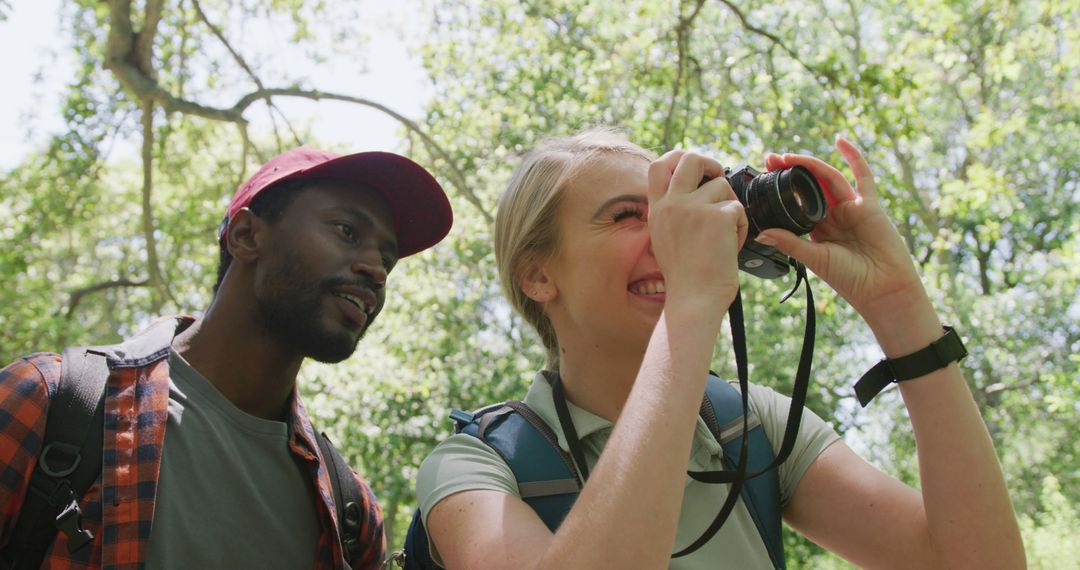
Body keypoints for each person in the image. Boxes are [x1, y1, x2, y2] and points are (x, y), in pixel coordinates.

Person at [414, 128, 1025, 569]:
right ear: (537, 276)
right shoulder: (473, 470)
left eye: (673, 213)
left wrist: (896, 302)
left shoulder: (751, 427)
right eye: (630, 216)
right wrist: (691, 304)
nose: (670, 235)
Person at [0, 147, 453, 569]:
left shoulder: (350, 512)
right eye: (347, 232)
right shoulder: (48, 404)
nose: (375, 270)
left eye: (387, 262)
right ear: (246, 235)